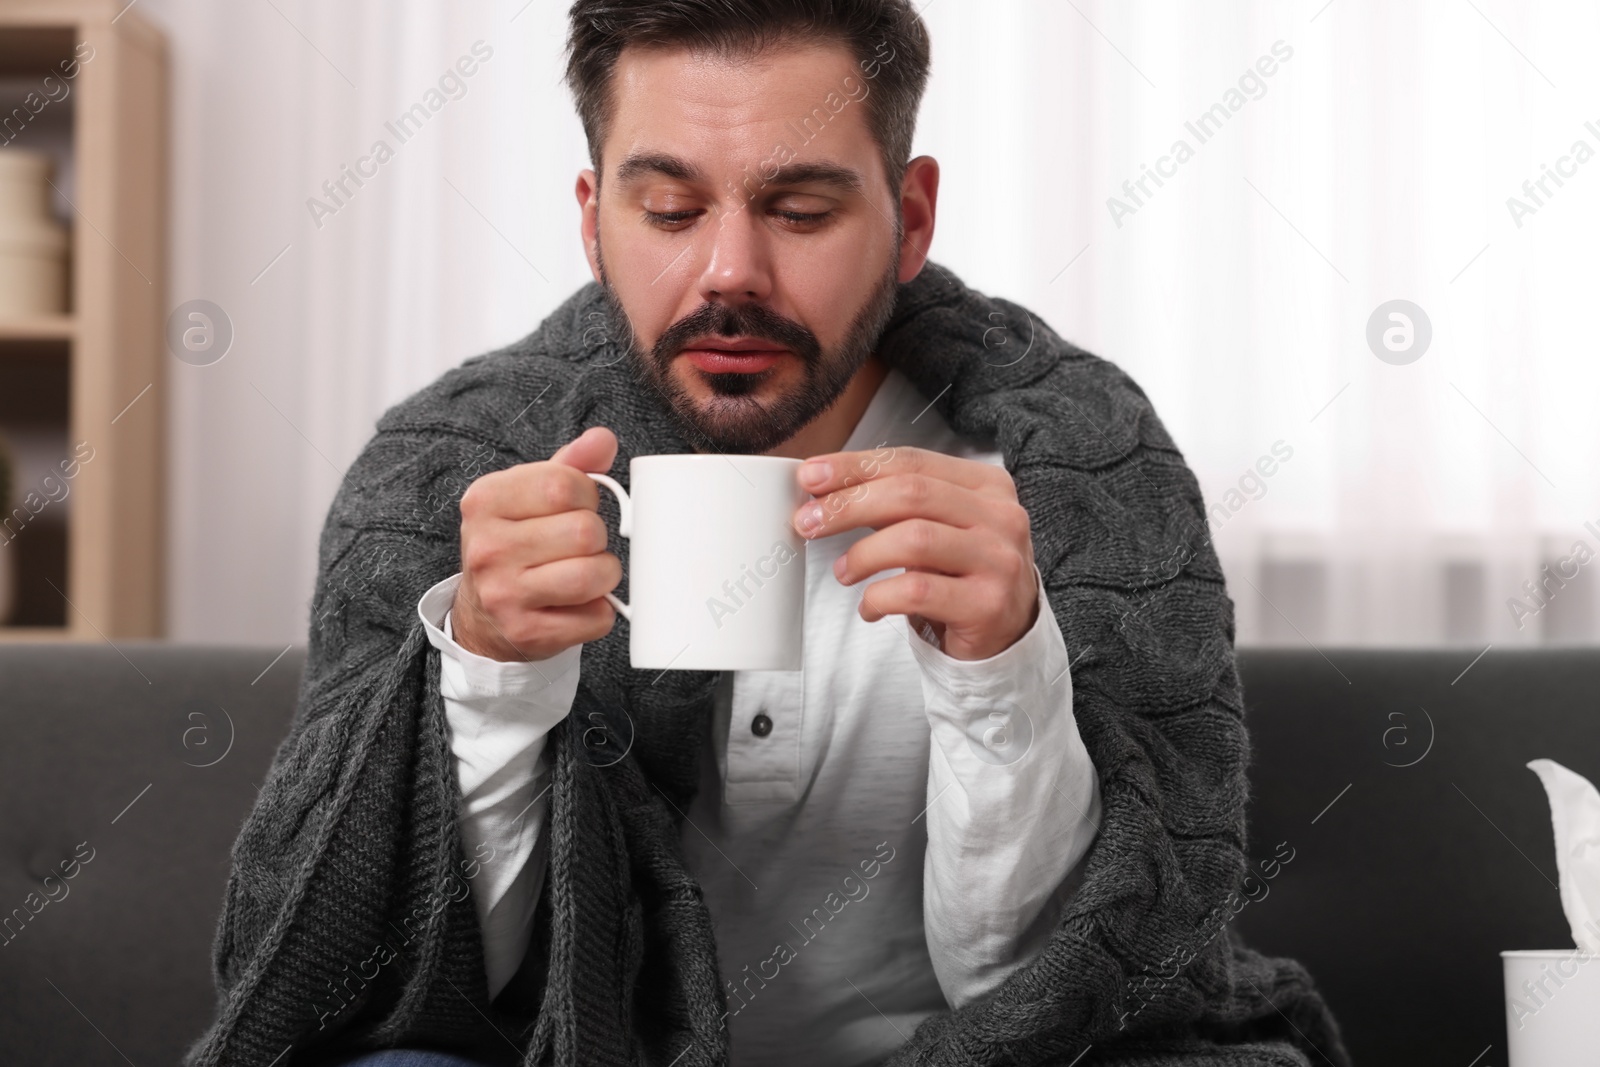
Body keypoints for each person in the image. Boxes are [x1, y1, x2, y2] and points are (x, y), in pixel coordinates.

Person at [186, 3, 1349, 1066]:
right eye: (670, 210)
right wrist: (489, 672)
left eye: (800, 210)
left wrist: (1006, 669)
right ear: (594, 223)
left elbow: (1072, 1001)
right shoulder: (457, 474)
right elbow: (383, 985)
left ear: (910, 218)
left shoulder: (1076, 470)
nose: (729, 271)